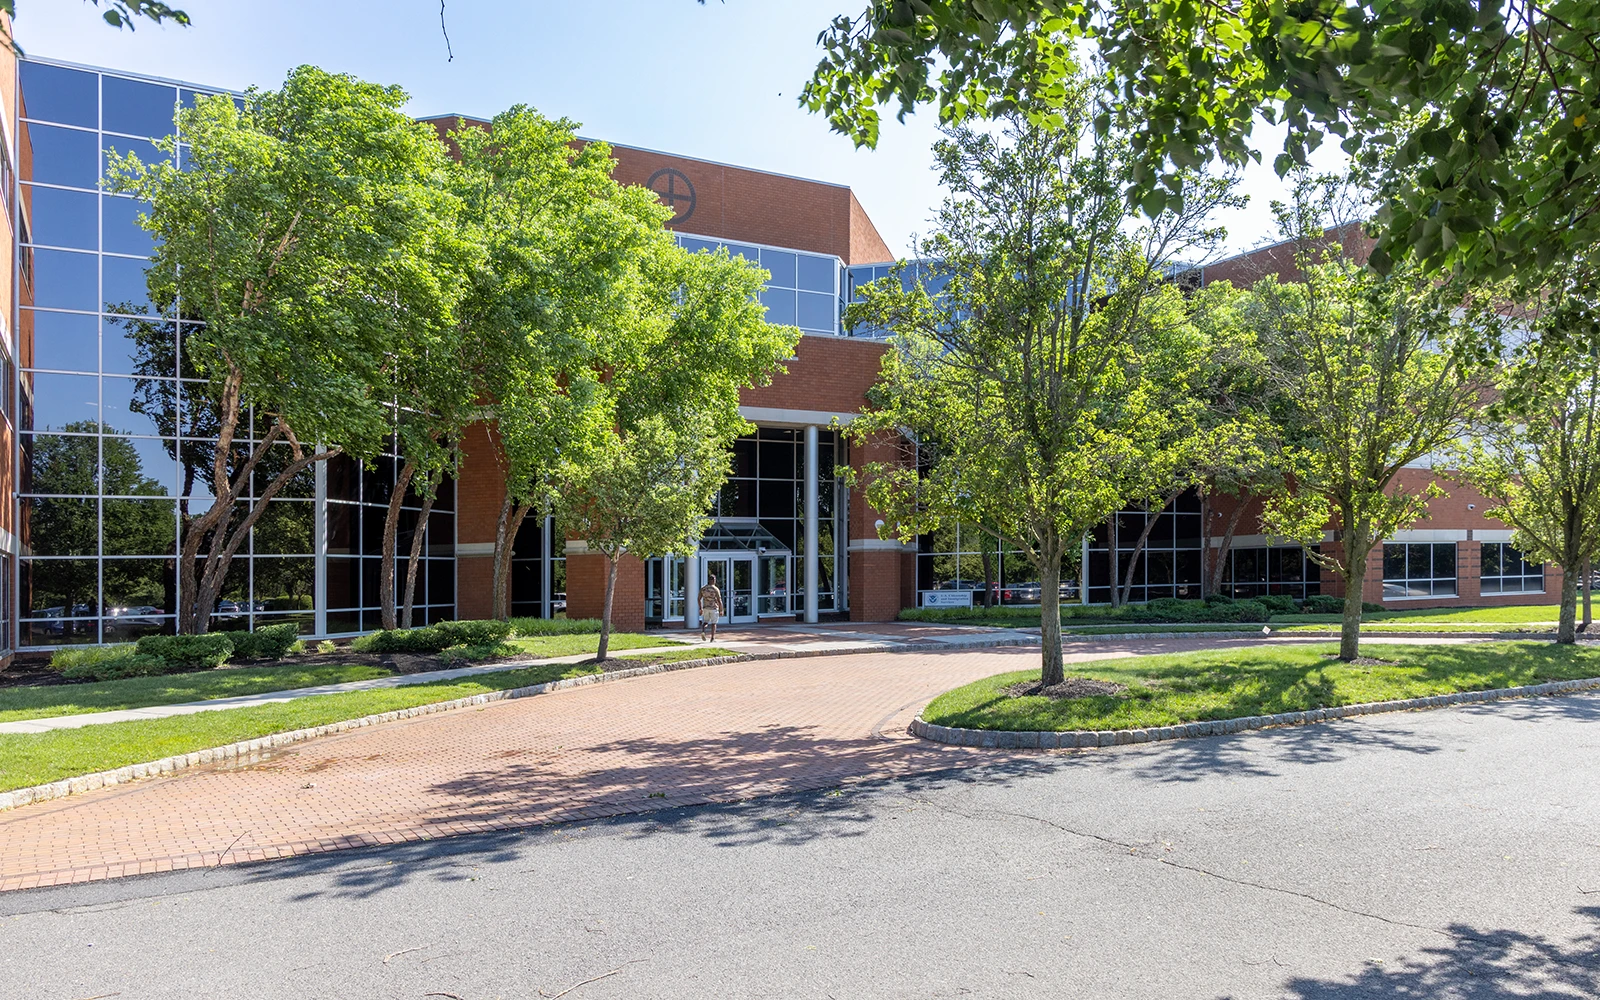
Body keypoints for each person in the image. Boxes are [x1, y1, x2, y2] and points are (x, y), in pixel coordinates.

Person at [698, 572, 724, 642]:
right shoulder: (715, 589)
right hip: (714, 608)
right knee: (714, 623)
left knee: (705, 622)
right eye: (714, 579)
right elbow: (719, 600)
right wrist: (721, 610)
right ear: (713, 580)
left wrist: (700, 608)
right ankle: (712, 638)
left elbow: (699, 598)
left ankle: (703, 630)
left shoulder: (703, 589)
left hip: (706, 608)